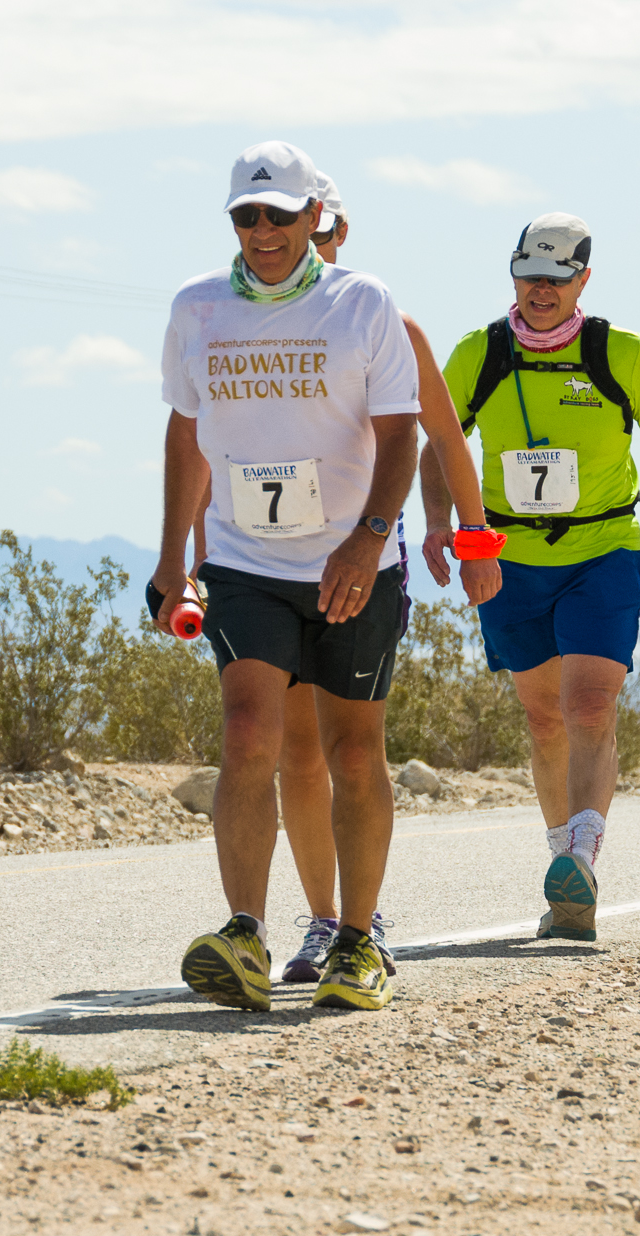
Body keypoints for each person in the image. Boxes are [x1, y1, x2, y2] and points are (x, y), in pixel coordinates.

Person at [153, 140, 425, 1012]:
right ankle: (243, 932)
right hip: (244, 564)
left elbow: (401, 435)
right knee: (246, 737)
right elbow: (185, 430)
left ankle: (357, 939)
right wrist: (172, 559)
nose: (262, 230)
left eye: (278, 214)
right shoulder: (197, 308)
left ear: (315, 217)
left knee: (352, 751)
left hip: (354, 566)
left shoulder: (363, 304)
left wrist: (367, 539)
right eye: (246, 215)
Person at [246, 172, 502, 984]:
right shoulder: (241, 322)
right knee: (294, 753)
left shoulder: (382, 320)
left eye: (315, 237)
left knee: (350, 751)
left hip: (365, 559)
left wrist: (474, 537)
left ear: (335, 234)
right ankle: (324, 922)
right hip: (269, 558)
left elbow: (444, 436)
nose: (299, 254)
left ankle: (362, 921)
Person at [422, 212, 640, 942]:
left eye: (556, 279)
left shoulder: (619, 353)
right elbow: (439, 445)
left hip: (603, 548)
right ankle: (562, 872)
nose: (540, 291)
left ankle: (582, 856)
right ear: (512, 275)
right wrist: (440, 524)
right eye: (528, 277)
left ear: (583, 280)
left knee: (589, 703)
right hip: (509, 559)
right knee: (542, 717)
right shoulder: (479, 353)